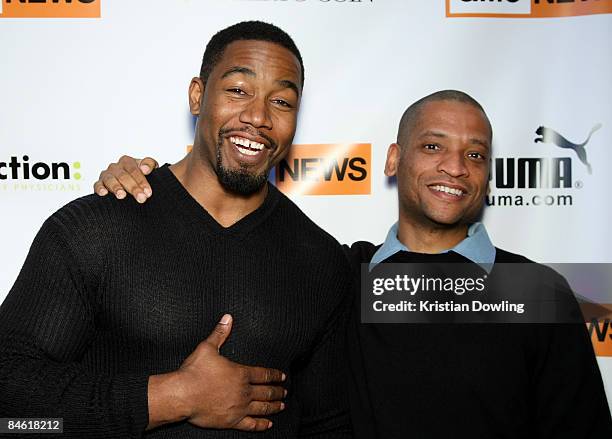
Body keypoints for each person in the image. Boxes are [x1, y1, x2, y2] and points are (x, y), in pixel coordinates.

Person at [95, 89, 612, 438]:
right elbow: (228, 236)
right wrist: (145, 184)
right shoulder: (342, 275)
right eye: (432, 146)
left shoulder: (537, 292)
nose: (454, 167)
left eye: (475, 155)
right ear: (392, 159)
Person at [0, 21, 352, 438]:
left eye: (281, 102)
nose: (258, 116)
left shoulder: (321, 259)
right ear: (198, 96)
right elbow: (11, 393)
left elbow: (328, 422)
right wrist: (172, 397)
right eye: (238, 90)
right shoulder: (97, 228)